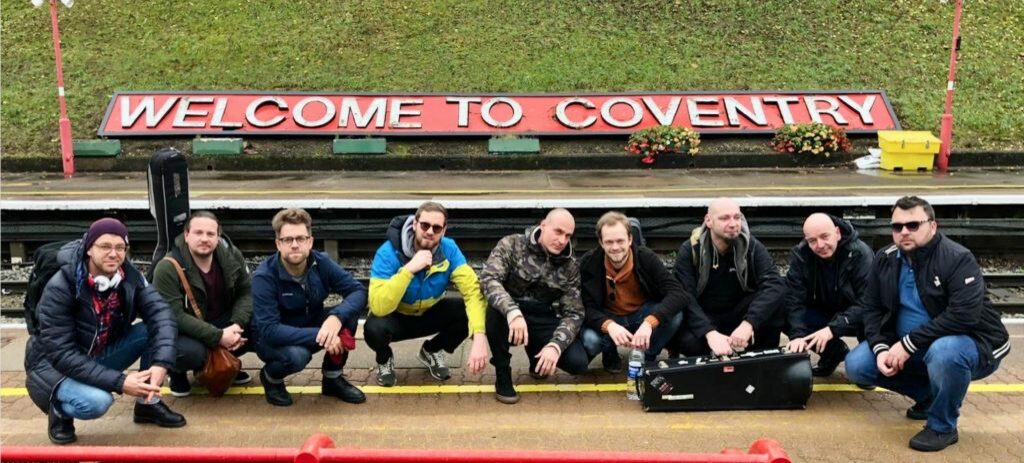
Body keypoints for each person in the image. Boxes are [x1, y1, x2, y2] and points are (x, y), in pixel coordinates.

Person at [844, 196, 1010, 452]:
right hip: (912, 346)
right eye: (897, 227)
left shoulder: (957, 258)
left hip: (973, 344)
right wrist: (880, 347)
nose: (904, 232)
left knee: (944, 353)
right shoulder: (885, 258)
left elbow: (963, 315)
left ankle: (942, 426)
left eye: (913, 225)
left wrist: (907, 344)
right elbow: (872, 308)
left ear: (933, 226)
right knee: (858, 365)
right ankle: (929, 395)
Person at [25, 218, 185, 445]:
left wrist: (161, 364)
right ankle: (59, 410)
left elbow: (162, 315)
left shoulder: (130, 277)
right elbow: (62, 354)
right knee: (97, 402)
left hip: (98, 354)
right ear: (89, 248)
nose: (114, 254)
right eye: (105, 246)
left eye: (120, 248)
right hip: (55, 367)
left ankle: (147, 405)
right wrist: (121, 382)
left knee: (153, 330)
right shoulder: (60, 287)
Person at [251, 208, 368, 406]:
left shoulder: (321, 262)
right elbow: (269, 330)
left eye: (300, 238)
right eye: (288, 240)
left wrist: (335, 318)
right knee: (298, 356)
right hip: (273, 338)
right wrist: (323, 335)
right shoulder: (264, 276)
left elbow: (358, 291)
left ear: (310, 242)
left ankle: (332, 379)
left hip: (307, 322)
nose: (295, 245)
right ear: (278, 244)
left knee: (347, 315)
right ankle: (271, 378)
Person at [365, 201, 489, 387]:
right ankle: (384, 359)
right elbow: (378, 305)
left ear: (444, 231)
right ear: (414, 224)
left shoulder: (449, 249)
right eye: (425, 225)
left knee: (466, 311)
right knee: (373, 328)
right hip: (396, 316)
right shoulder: (388, 252)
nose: (430, 231)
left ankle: (431, 350)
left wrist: (479, 336)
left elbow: (472, 291)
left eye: (437, 228)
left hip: (429, 313)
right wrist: (409, 270)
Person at [480, 208, 589, 404]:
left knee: (578, 363)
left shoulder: (570, 266)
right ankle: (503, 372)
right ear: (543, 225)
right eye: (558, 232)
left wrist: (555, 345)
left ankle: (537, 353)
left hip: (540, 314)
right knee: (494, 312)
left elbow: (574, 313)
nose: (563, 240)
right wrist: (512, 311)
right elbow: (489, 279)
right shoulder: (512, 244)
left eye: (568, 235)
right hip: (508, 315)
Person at [152, 211, 253, 397]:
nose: (204, 239)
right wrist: (218, 336)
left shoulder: (231, 256)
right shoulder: (167, 267)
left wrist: (237, 325)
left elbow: (245, 292)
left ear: (218, 237)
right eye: (198, 233)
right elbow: (175, 315)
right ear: (186, 235)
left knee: (259, 326)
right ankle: (177, 372)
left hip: (222, 322)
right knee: (191, 353)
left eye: (210, 234)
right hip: (185, 331)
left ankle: (226, 363)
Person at [672, 198, 787, 357]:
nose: (733, 224)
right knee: (690, 344)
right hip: (706, 314)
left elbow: (775, 285)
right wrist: (709, 332)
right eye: (724, 218)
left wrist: (749, 324)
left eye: (737, 217)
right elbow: (685, 297)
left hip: (739, 314)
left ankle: (760, 358)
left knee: (778, 300)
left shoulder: (751, 245)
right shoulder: (690, 250)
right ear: (709, 221)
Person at [579, 212, 687, 370]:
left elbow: (678, 294)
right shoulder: (589, 262)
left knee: (676, 315)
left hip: (640, 314)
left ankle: (646, 355)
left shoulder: (645, 257)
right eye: (609, 242)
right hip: (609, 316)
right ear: (601, 242)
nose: (615, 247)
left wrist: (650, 323)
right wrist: (608, 325)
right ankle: (609, 353)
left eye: (620, 241)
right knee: (590, 340)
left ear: (630, 239)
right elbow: (585, 306)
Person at [783, 213, 872, 377]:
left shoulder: (860, 254)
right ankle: (833, 353)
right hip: (824, 311)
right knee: (781, 311)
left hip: (856, 317)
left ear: (837, 233)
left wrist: (834, 328)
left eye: (825, 237)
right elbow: (794, 300)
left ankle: (866, 364)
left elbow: (867, 303)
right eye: (812, 241)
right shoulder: (801, 255)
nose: (820, 245)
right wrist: (797, 336)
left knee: (873, 318)